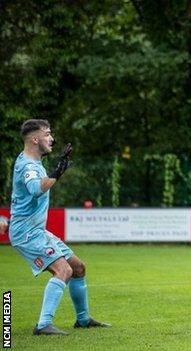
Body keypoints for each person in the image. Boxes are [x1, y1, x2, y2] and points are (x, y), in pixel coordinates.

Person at [9, 119, 110, 335]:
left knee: (78, 268)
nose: (52, 138)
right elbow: (36, 189)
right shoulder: (27, 165)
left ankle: (83, 320)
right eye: (47, 134)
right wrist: (56, 173)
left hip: (36, 231)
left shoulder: (33, 162)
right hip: (26, 234)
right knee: (63, 270)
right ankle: (44, 324)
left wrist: (55, 172)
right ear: (35, 139)